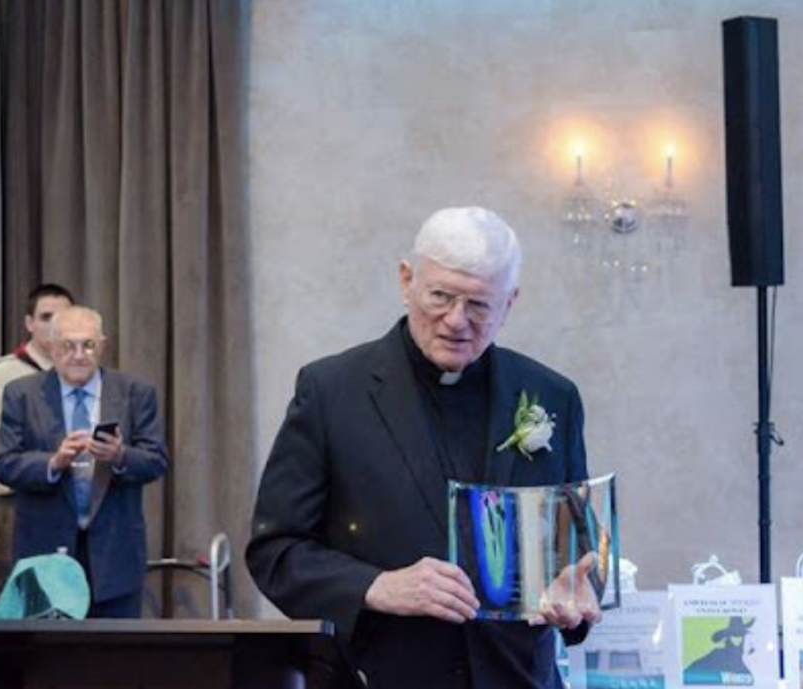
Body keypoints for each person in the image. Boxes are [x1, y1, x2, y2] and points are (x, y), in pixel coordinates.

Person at [247, 207, 601, 688]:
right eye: (440, 296)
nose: (457, 320)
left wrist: (575, 597)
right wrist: (377, 586)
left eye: (479, 304)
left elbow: (577, 555)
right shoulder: (331, 391)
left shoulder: (551, 396)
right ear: (406, 280)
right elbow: (276, 550)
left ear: (510, 302)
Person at [0, 306, 168, 618]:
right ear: (50, 345)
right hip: (44, 556)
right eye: (67, 346)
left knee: (111, 661)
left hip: (115, 556)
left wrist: (119, 455)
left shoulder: (135, 393)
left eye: (87, 345)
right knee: (46, 662)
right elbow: (4, 464)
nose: (78, 355)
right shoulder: (22, 395)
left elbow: (156, 460)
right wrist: (54, 462)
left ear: (102, 344)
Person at [0, 283, 75, 599]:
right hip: (17, 503)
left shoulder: (81, 373)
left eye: (64, 316)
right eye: (45, 317)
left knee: (68, 597)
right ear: (29, 323)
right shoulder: (6, 373)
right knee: (17, 598)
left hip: (68, 501)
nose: (55, 325)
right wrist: (48, 458)